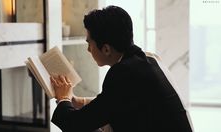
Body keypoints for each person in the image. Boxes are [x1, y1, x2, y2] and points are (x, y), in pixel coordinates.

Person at [50, 5, 193, 132]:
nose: (88, 49)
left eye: (90, 43)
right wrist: (78, 102)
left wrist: (63, 98)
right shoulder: (148, 59)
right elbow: (114, 102)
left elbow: (74, 125)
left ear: (106, 49)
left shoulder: (123, 73)